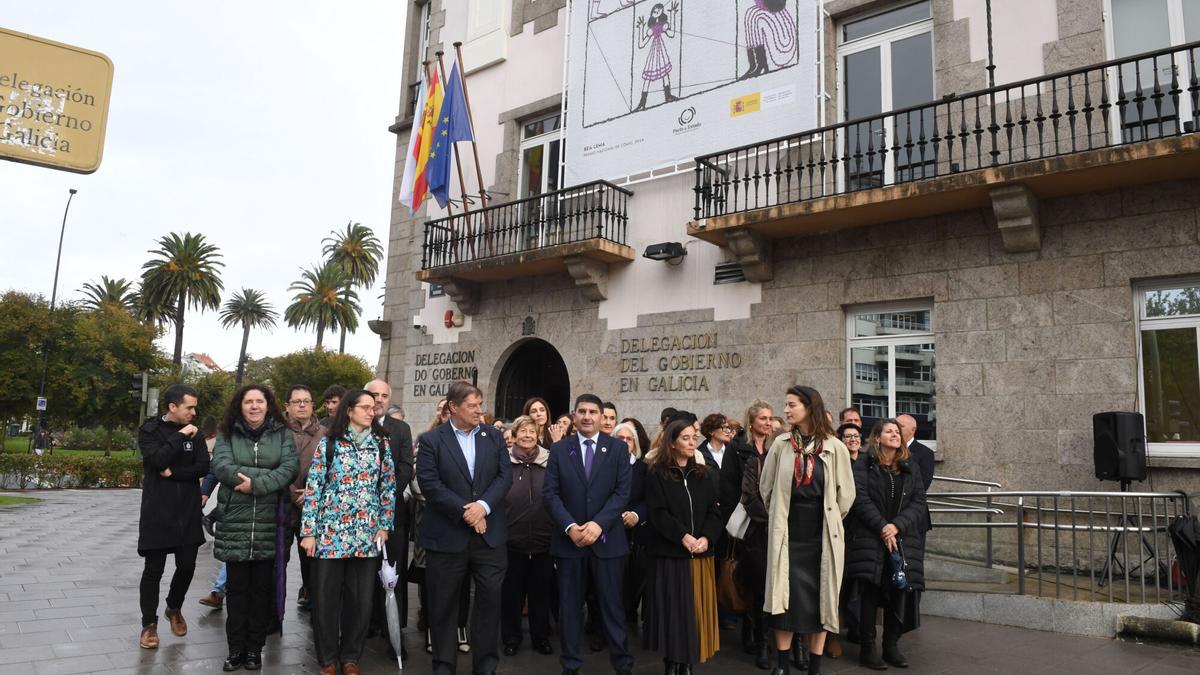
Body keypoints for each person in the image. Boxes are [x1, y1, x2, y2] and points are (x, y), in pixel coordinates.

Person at [416, 381, 512, 675]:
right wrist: (466, 512)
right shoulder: (432, 440)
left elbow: (503, 477)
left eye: (480, 404)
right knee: (443, 607)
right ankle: (444, 666)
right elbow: (431, 485)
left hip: (489, 538)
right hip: (446, 538)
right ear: (453, 407)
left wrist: (482, 507)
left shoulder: (493, 437)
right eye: (472, 405)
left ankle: (486, 667)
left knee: (489, 604)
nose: (479, 411)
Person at [300, 389, 397, 675]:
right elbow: (314, 487)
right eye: (365, 407)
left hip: (366, 537)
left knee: (361, 601)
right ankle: (328, 658)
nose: (372, 411)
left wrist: (384, 525)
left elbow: (388, 488)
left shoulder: (381, 444)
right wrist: (309, 532)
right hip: (329, 535)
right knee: (326, 600)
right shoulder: (329, 443)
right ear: (350, 410)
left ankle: (351, 656)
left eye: (373, 407)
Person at [760, 386, 855, 675]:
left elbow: (846, 495)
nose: (786, 410)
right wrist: (779, 515)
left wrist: (829, 519)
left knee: (820, 601)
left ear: (808, 406)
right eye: (786, 405)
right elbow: (767, 488)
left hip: (821, 535)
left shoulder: (835, 446)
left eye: (791, 405)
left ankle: (815, 666)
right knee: (783, 602)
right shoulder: (781, 444)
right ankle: (784, 665)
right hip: (787, 534)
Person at [543, 394, 635, 675]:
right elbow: (551, 494)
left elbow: (622, 493)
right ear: (573, 415)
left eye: (592, 412)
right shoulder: (560, 450)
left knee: (612, 608)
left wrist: (598, 525)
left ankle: (623, 664)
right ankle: (570, 665)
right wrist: (570, 527)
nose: (586, 416)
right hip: (570, 542)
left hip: (607, 542)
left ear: (601, 416)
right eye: (581, 411)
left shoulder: (617, 450)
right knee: (570, 609)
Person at [212, 384, 299, 672]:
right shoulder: (227, 433)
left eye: (258, 401)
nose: (253, 406)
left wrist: (255, 485)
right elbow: (222, 467)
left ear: (268, 405)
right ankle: (235, 650)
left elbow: (289, 469)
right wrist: (264, 481)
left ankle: (254, 650)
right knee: (236, 594)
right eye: (248, 401)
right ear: (240, 405)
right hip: (235, 523)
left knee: (261, 593)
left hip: (268, 524)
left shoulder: (283, 433)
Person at [642, 419, 722, 674]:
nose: (691, 442)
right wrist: (683, 537)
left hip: (700, 555)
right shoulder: (657, 473)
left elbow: (714, 511)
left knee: (695, 612)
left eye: (693, 437)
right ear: (672, 442)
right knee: (673, 612)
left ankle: (687, 661)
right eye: (685, 438)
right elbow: (658, 513)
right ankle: (672, 661)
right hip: (670, 555)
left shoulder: (703, 472)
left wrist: (706, 537)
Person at [848, 419, 927, 670]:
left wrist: (897, 526)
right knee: (870, 592)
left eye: (897, 431)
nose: (895, 434)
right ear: (877, 437)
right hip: (872, 537)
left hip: (902, 538)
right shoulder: (865, 462)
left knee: (900, 590)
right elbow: (859, 498)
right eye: (889, 431)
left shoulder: (909, 465)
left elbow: (918, 502)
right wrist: (883, 526)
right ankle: (868, 648)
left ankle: (891, 646)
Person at [137, 384, 208, 650]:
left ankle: (173, 607)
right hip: (158, 512)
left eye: (194, 407)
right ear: (173, 407)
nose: (194, 412)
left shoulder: (197, 434)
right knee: (153, 570)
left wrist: (174, 473)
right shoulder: (150, 430)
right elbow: (157, 459)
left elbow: (203, 466)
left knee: (187, 565)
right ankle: (148, 625)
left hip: (187, 511)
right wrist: (180, 437)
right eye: (189, 407)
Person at [365, 379, 416, 658]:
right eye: (374, 394)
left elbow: (406, 466)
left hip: (391, 512)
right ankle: (366, 623)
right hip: (360, 513)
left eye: (385, 395)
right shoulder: (357, 427)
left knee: (393, 571)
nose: (380, 399)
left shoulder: (401, 429)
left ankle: (394, 632)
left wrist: (385, 497)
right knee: (364, 571)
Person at [500, 415, 556, 657]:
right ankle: (511, 637)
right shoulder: (503, 461)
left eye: (531, 432)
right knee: (511, 594)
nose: (527, 436)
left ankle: (540, 637)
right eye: (522, 431)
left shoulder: (550, 461)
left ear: (537, 435)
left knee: (540, 594)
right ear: (514, 435)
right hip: (512, 539)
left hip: (544, 540)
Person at [736, 399, 778, 669]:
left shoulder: (779, 449)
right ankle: (758, 642)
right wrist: (772, 519)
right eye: (762, 418)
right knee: (758, 589)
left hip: (780, 533)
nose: (768, 422)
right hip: (757, 531)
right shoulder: (743, 451)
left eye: (770, 418)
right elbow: (747, 496)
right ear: (752, 423)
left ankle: (779, 642)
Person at [697, 413, 744, 630]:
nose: (727, 430)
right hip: (709, 518)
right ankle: (710, 612)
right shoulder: (700, 453)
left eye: (728, 427)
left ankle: (728, 611)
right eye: (722, 427)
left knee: (729, 564)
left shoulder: (734, 451)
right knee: (712, 565)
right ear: (711, 431)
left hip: (732, 517)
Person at [284, 385, 326, 611]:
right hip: (281, 504)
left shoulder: (325, 434)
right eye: (297, 401)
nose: (302, 405)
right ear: (287, 406)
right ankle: (273, 613)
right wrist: (292, 493)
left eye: (307, 401)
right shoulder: (277, 431)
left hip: (311, 508)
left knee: (310, 561)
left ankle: (311, 598)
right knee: (278, 562)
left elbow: (331, 469)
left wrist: (311, 493)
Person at [612, 421, 650, 626]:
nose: (625, 442)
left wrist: (636, 515)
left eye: (629, 439)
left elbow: (648, 500)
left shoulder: (643, 469)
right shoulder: (604, 466)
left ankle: (627, 616)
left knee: (631, 580)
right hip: (608, 530)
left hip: (634, 536)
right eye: (621, 439)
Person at [895, 415, 934, 492]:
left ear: (913, 430)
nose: (896, 429)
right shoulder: (888, 449)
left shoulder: (925, 453)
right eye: (895, 426)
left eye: (901, 426)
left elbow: (923, 484)